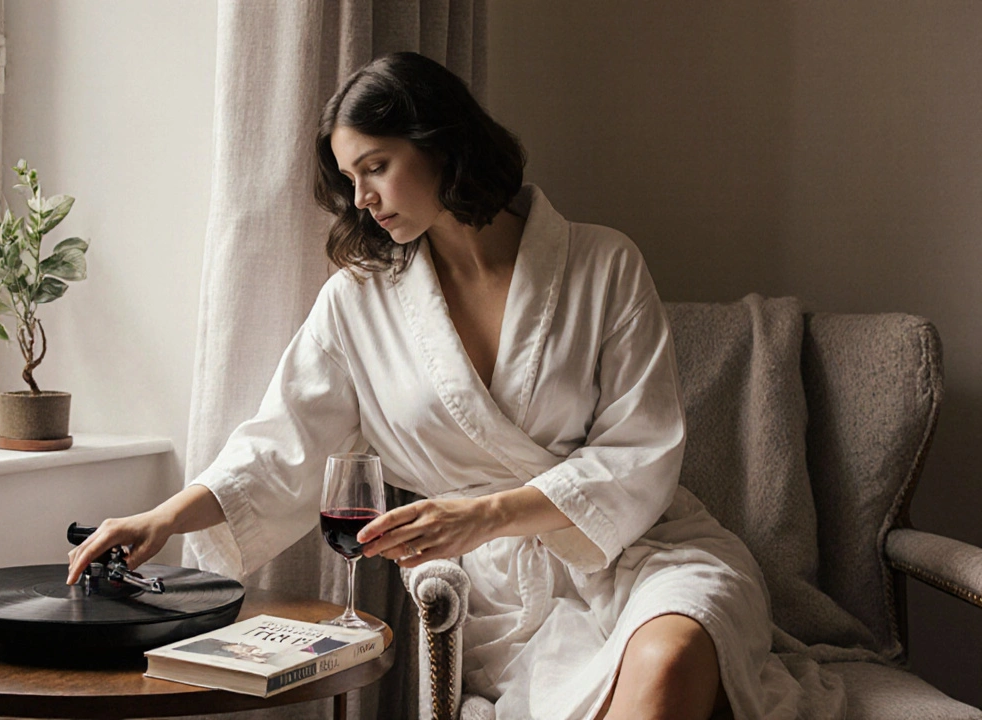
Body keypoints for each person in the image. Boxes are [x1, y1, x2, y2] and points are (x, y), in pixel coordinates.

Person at [69, 52, 808, 719]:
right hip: (503, 606)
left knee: (670, 657)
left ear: (441, 140)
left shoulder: (602, 264)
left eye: (376, 167)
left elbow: (641, 453)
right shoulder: (360, 303)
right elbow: (280, 446)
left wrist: (482, 514)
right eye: (349, 178)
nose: (360, 199)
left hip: (650, 556)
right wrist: (163, 518)